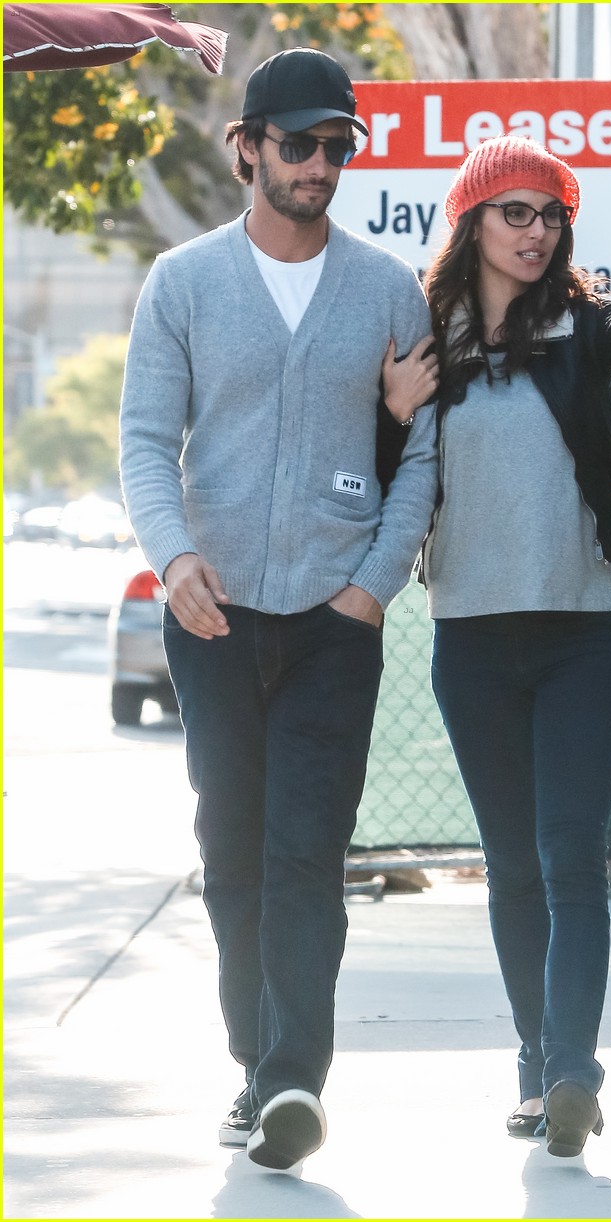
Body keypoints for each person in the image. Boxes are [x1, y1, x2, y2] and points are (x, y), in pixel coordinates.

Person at [389, 135, 611, 1158]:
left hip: (585, 639)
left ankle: (573, 1072)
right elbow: (383, 457)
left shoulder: (580, 330)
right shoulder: (425, 339)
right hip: (469, 641)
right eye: (514, 212)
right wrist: (388, 411)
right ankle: (532, 1067)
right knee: (510, 868)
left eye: (550, 215)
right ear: (471, 222)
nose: (536, 230)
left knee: (569, 858)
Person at [119, 47, 438, 1173]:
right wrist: (175, 557)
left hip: (331, 623)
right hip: (210, 621)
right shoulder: (185, 282)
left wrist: (370, 586)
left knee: (309, 852)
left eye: (337, 145)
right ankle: (257, 1064)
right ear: (247, 145)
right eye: (297, 142)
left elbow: (420, 455)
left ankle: (295, 1078)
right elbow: (148, 443)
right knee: (232, 849)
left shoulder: (387, 288)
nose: (319, 163)